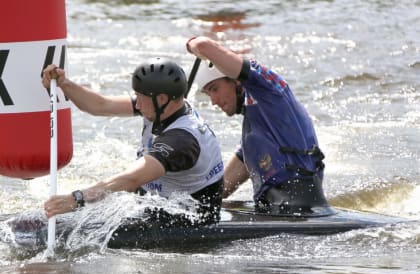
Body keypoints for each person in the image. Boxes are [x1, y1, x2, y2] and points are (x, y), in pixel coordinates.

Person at [42, 57, 224, 225]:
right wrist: (64, 84)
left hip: (188, 218)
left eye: (141, 99)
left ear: (162, 99)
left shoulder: (181, 141)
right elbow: (100, 105)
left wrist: (76, 199)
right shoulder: (162, 107)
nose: (137, 106)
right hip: (157, 201)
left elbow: (131, 180)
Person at [186, 36, 328, 215]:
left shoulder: (270, 90)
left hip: (299, 210)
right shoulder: (257, 129)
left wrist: (191, 45)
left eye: (215, 89)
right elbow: (221, 190)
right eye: (208, 94)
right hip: (272, 208)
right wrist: (189, 201)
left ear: (237, 81)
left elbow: (202, 45)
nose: (213, 101)